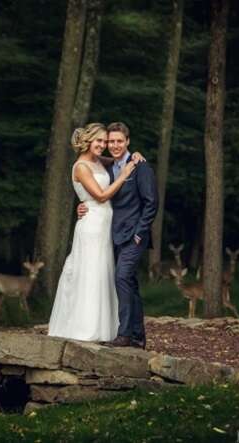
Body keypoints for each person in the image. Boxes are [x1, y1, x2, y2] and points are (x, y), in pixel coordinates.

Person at [47, 123, 139, 342]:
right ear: (88, 141)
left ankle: (106, 329)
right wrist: (124, 174)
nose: (103, 145)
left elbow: (120, 159)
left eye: (105, 141)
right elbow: (100, 196)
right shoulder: (80, 167)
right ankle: (85, 329)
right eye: (99, 141)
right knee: (89, 272)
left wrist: (133, 155)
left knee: (104, 272)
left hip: (105, 224)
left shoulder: (98, 161)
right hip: (91, 225)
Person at [77, 122, 158, 349]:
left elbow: (151, 203)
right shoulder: (110, 166)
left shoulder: (140, 166)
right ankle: (138, 337)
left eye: (119, 141)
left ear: (128, 142)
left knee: (121, 277)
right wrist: (82, 205)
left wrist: (140, 234)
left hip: (134, 235)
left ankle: (124, 335)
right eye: (111, 141)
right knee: (129, 283)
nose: (114, 145)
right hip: (112, 234)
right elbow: (88, 172)